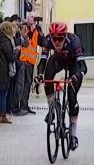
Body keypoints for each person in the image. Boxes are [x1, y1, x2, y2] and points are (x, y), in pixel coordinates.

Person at [36, 22, 87, 151]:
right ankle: (52, 110)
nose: (57, 42)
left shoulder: (74, 42)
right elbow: (42, 60)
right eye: (54, 38)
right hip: (58, 60)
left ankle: (73, 134)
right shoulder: (47, 41)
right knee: (47, 79)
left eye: (60, 38)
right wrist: (40, 75)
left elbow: (83, 67)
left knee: (71, 95)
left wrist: (75, 77)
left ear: (65, 37)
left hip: (74, 63)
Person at [0, 21, 16, 124]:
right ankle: (2, 115)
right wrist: (17, 51)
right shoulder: (5, 41)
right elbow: (10, 57)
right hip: (2, 69)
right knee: (2, 93)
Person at [16, 16, 40, 115]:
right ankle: (19, 106)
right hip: (23, 59)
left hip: (30, 61)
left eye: (35, 21)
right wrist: (30, 29)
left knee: (28, 84)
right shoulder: (24, 28)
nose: (34, 22)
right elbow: (25, 41)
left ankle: (25, 105)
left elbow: (38, 43)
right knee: (21, 84)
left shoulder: (36, 31)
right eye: (33, 20)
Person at [7, 14, 23, 115]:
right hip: (12, 64)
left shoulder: (17, 34)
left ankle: (12, 107)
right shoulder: (10, 35)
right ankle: (10, 108)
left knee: (14, 87)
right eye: (15, 21)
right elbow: (14, 49)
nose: (17, 23)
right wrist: (17, 50)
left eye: (18, 21)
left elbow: (24, 43)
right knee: (10, 88)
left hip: (16, 63)